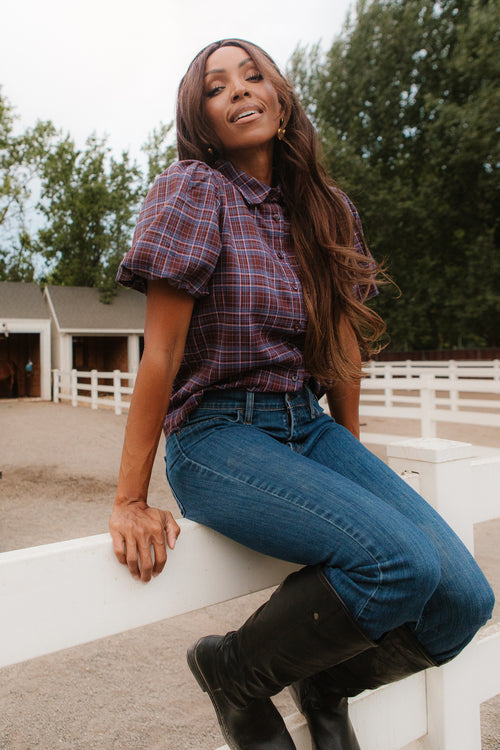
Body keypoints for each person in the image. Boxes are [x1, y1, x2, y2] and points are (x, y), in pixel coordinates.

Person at [109, 39, 494, 750]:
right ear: (204, 117)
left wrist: (346, 447)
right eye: (217, 87)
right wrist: (131, 497)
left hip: (307, 428)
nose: (240, 91)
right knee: (396, 564)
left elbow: (342, 345)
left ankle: (327, 681)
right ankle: (233, 674)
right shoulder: (197, 190)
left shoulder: (327, 208)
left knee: (465, 602)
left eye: (254, 77)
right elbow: (159, 350)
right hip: (218, 436)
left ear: (282, 101)